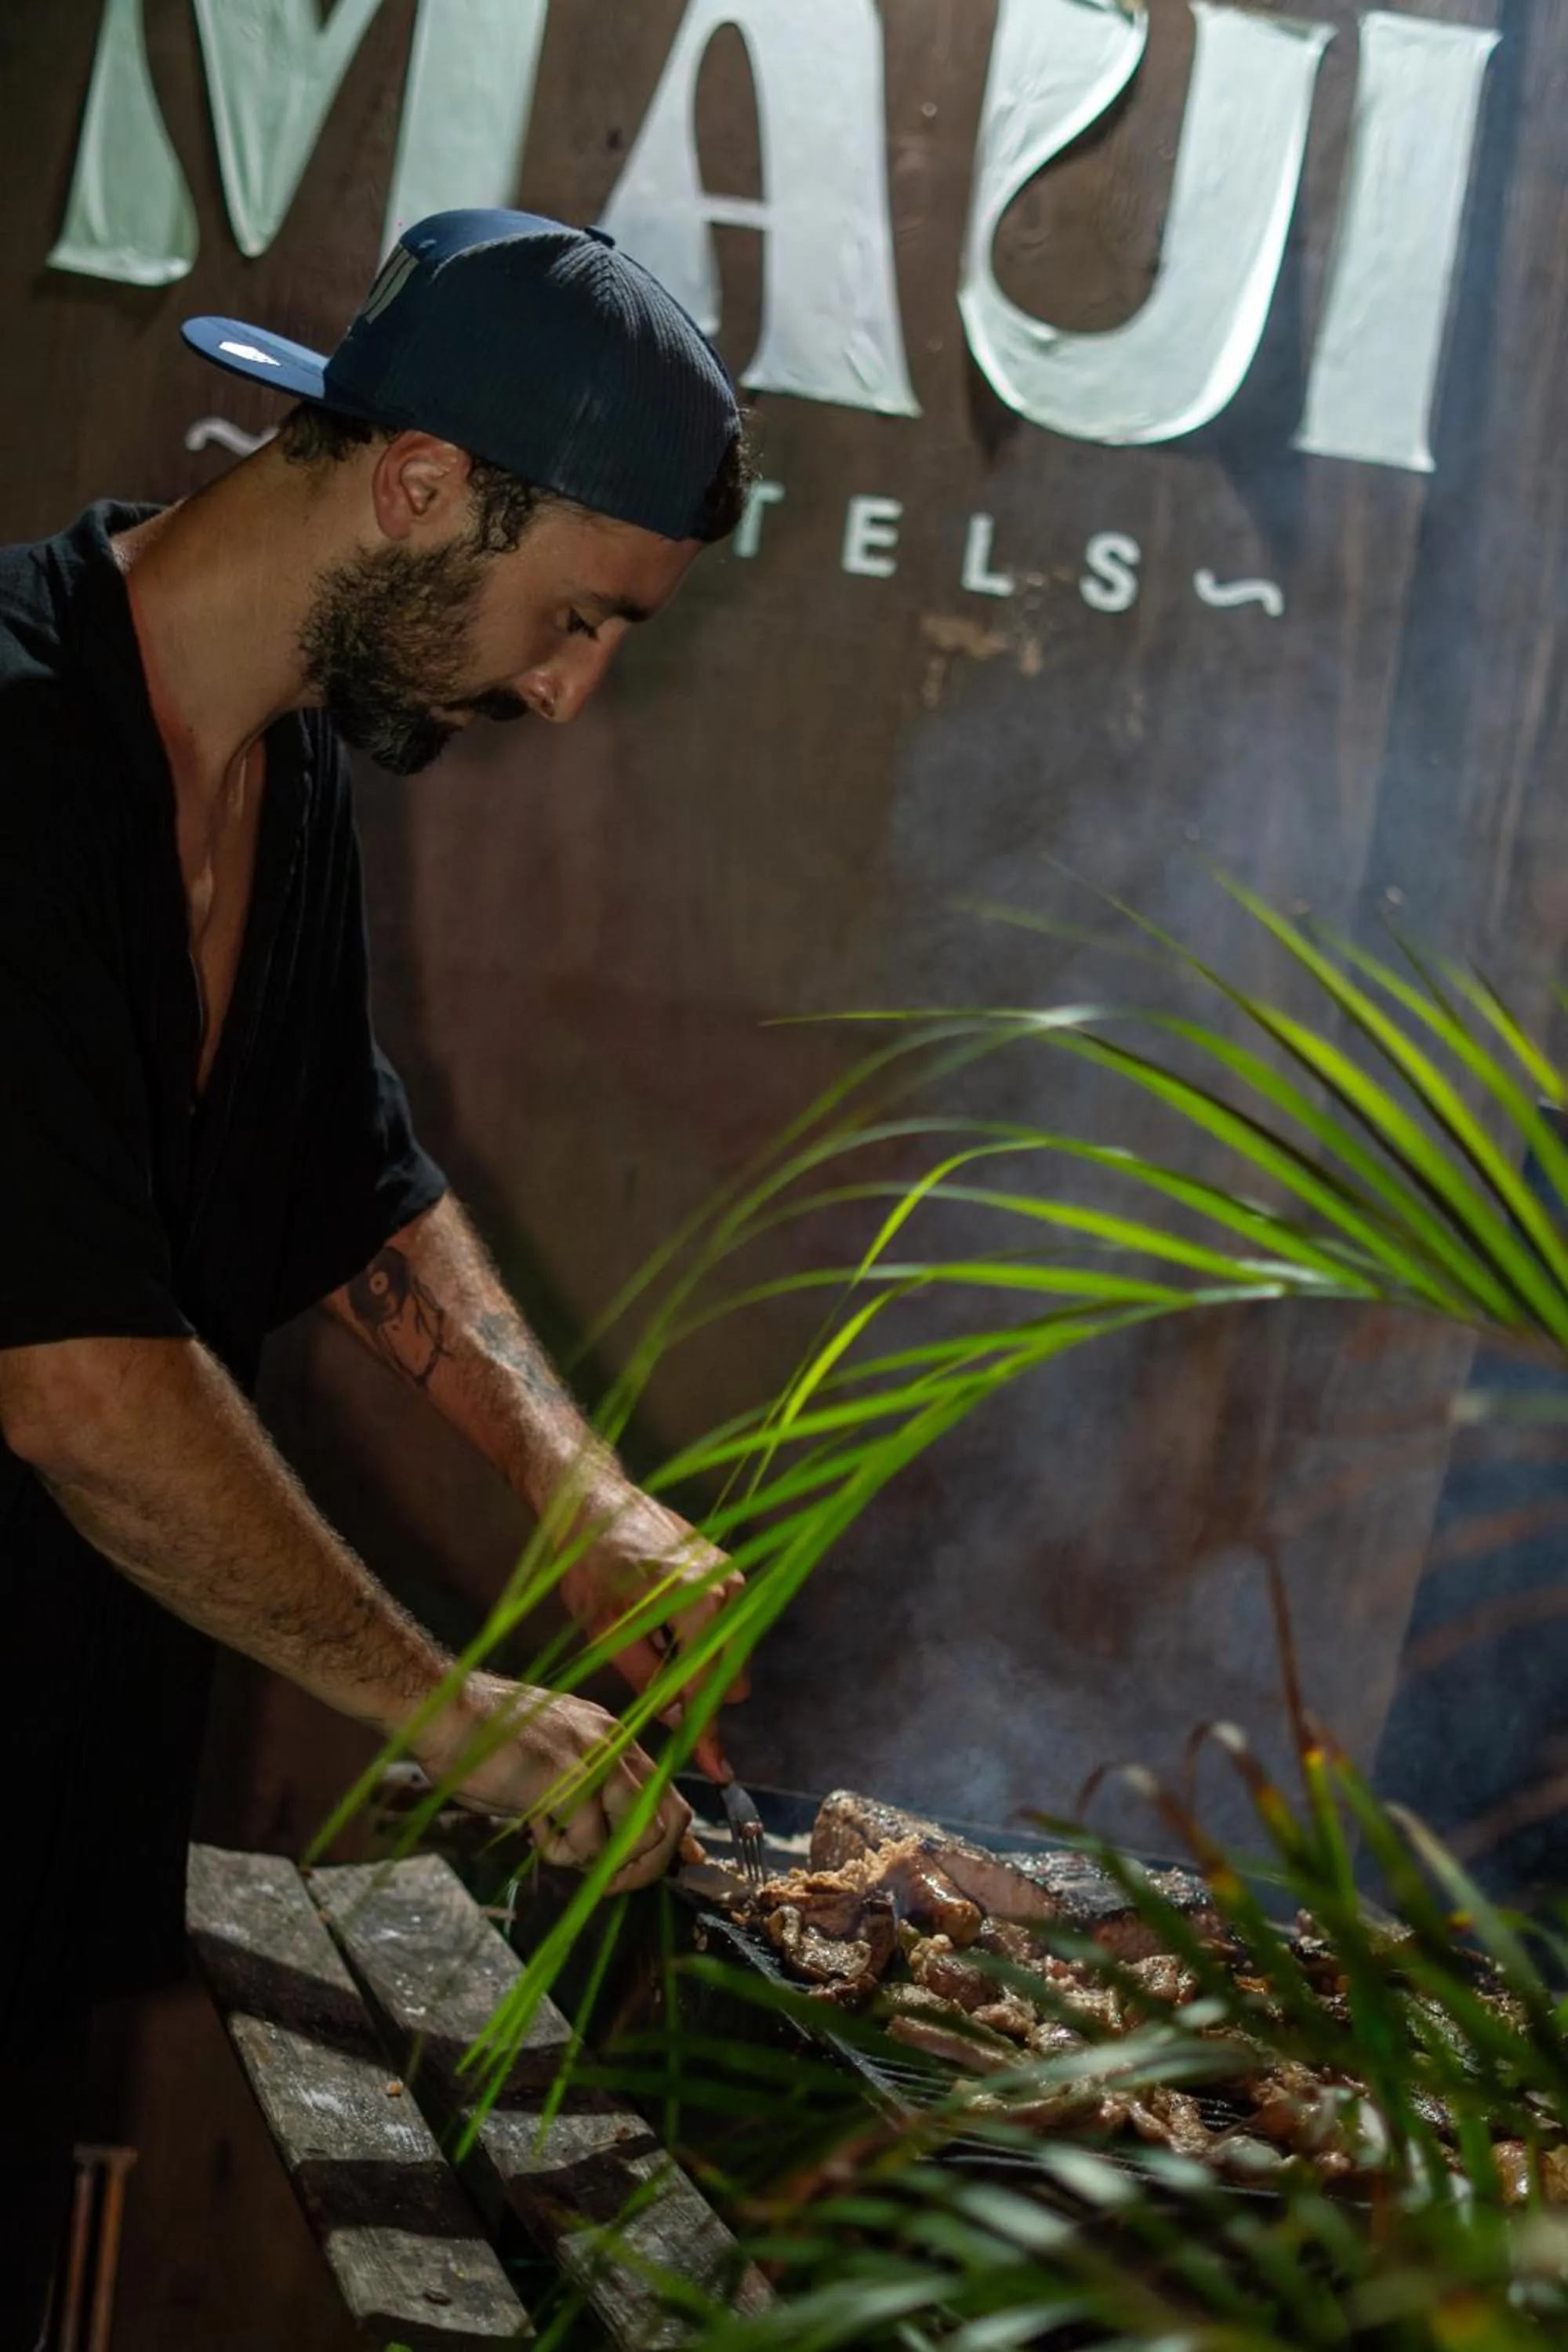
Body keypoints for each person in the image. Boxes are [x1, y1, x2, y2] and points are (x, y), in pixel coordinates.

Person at [0, 209, 753, 2349]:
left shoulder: (280, 765)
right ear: (421, 483)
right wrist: (452, 1712)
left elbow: (344, 1164)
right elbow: (64, 1369)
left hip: (49, 1807)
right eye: (578, 616)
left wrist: (581, 1496)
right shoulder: (14, 748)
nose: (565, 687)